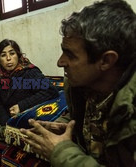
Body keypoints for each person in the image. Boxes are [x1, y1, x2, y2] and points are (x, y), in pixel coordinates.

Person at [20, 0, 136, 167]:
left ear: (106, 60)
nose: (60, 62)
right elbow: (86, 117)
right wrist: (65, 125)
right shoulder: (84, 86)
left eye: (70, 54)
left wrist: (61, 152)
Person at [0, 39, 59, 140]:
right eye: (3, 55)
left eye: (12, 53)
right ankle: (6, 133)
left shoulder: (28, 72)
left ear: (18, 55)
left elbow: (50, 90)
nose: (8, 58)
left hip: (24, 116)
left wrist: (21, 106)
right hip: (7, 114)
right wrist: (5, 122)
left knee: (25, 133)